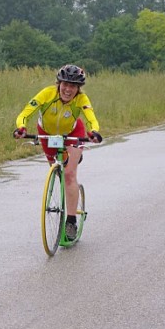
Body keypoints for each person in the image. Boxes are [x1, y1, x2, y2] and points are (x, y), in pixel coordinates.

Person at [13, 64, 102, 240]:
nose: (68, 89)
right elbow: (25, 112)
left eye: (73, 86)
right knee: (58, 172)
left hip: (72, 134)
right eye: (65, 84)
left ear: (78, 89)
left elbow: (91, 118)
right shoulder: (47, 94)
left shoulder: (82, 99)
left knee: (69, 174)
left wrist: (93, 132)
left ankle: (70, 221)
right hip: (47, 134)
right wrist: (21, 127)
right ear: (59, 83)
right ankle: (67, 167)